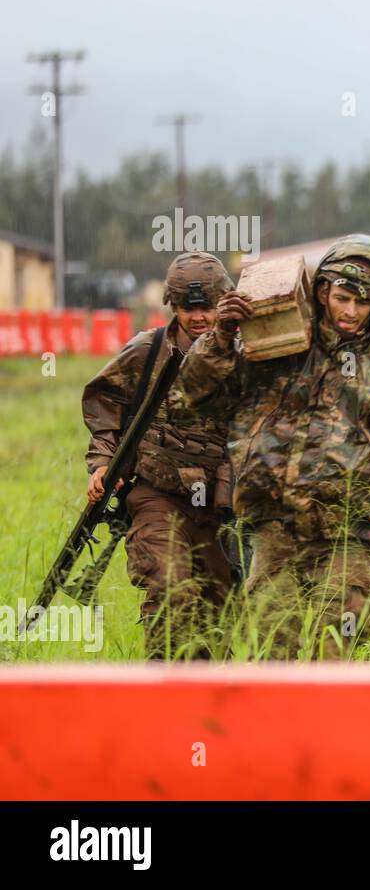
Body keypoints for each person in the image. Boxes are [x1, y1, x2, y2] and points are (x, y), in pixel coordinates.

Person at [178, 234, 370, 659]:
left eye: (363, 304)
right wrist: (221, 336)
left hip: (352, 539)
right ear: (323, 292)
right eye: (343, 297)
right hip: (276, 532)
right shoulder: (272, 352)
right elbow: (197, 393)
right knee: (271, 650)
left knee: (337, 657)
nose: (350, 311)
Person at [82, 251, 236, 659]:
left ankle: (203, 706)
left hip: (221, 504)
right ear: (174, 305)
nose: (199, 316)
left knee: (218, 615)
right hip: (157, 494)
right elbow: (104, 401)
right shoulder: (148, 351)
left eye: (208, 306)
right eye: (189, 306)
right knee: (169, 589)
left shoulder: (245, 354)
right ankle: (160, 693)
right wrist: (102, 462)